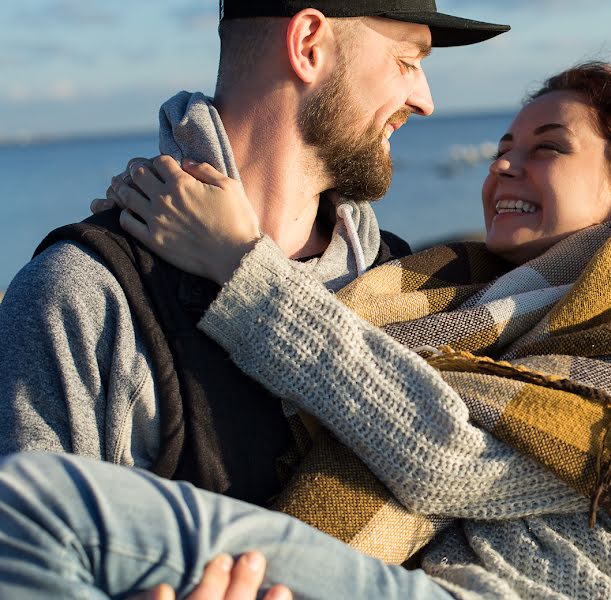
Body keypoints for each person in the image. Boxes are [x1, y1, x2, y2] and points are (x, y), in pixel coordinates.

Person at [0, 61, 611, 600]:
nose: (503, 164)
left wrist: (237, 264)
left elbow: (445, 458)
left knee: (30, 507)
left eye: (546, 149)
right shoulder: (451, 298)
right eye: (504, 146)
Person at [0, 1, 508, 505]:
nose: (425, 101)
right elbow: (31, 563)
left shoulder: (405, 278)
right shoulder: (86, 292)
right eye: (407, 62)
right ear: (308, 45)